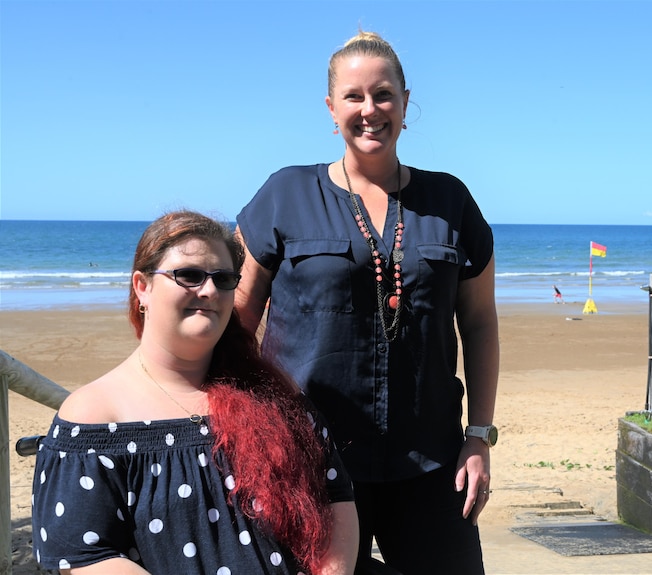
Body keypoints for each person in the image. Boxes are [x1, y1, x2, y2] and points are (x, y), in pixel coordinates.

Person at [234, 31, 499, 575]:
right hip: (308, 462)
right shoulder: (285, 194)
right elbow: (235, 319)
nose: (369, 109)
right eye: (353, 97)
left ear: (405, 102)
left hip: (430, 461)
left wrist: (478, 437)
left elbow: (479, 323)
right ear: (332, 109)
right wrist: (238, 428)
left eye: (383, 95)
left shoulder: (450, 200)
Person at [31, 211, 359, 575]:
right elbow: (85, 555)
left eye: (223, 279)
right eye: (188, 275)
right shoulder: (94, 414)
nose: (208, 290)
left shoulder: (274, 393)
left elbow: (335, 499)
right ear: (143, 287)